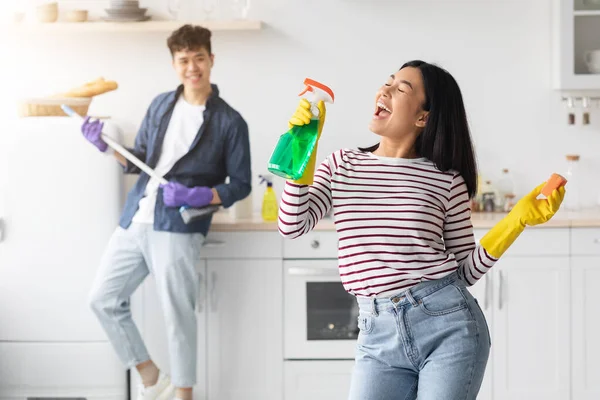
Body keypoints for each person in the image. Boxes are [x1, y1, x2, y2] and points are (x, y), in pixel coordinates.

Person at [278, 60, 565, 400]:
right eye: (387, 82)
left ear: (423, 117)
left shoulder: (446, 180)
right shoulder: (343, 164)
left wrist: (515, 221)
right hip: (375, 332)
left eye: (401, 89)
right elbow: (293, 225)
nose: (384, 90)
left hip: (447, 325)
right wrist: (302, 145)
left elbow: (465, 272)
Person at [82, 24, 252, 400]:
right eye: (183, 60)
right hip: (136, 218)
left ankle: (184, 395)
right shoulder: (160, 104)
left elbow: (240, 184)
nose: (192, 67)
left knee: (178, 316)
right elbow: (139, 160)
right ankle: (151, 377)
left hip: (178, 226)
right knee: (103, 299)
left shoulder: (230, 122)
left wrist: (198, 195)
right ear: (174, 64)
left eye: (199, 58)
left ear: (211, 60)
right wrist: (107, 148)